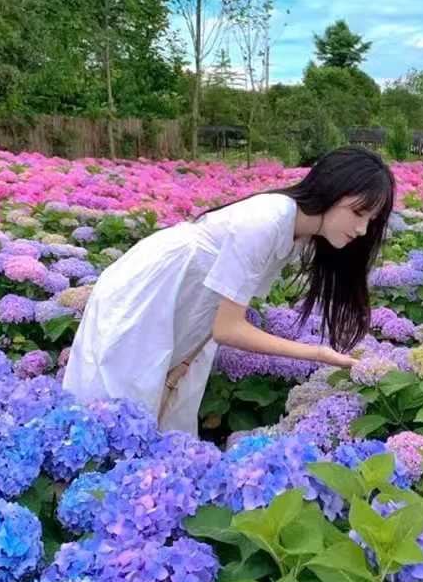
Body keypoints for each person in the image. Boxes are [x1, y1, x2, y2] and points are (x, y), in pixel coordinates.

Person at [62, 145, 396, 435]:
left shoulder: (300, 234)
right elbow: (228, 328)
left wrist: (181, 364)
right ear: (331, 190)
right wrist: (318, 354)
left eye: (371, 218)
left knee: (160, 418)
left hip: (187, 307)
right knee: (116, 406)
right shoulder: (267, 220)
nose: (363, 228)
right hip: (153, 291)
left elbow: (219, 316)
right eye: (358, 212)